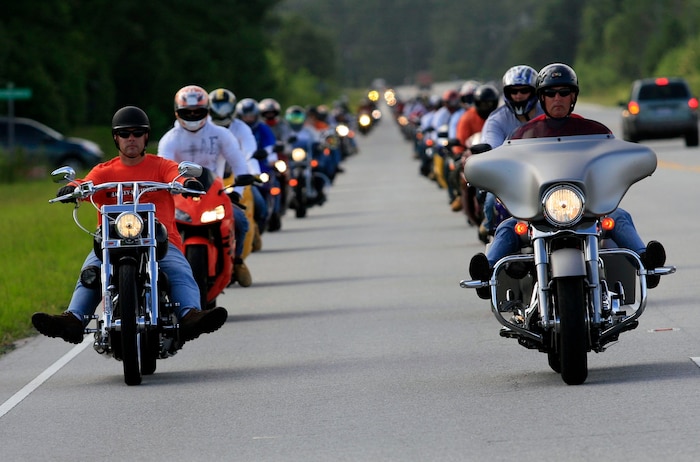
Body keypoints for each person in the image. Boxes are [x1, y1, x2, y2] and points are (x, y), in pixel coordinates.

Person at [31, 106, 228, 344]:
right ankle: (72, 320)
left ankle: (190, 316)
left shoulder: (161, 166)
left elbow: (177, 175)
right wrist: (73, 188)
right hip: (110, 239)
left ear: (146, 136)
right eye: (125, 134)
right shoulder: (105, 171)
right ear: (116, 138)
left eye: (137, 132)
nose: (131, 138)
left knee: (179, 270)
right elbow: (86, 183)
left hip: (159, 239)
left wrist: (187, 181)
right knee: (91, 274)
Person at [469, 63, 666, 298]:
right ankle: (487, 273)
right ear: (542, 98)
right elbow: (507, 163)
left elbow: (613, 156)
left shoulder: (592, 129)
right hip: (538, 212)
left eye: (564, 92)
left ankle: (646, 262)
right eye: (550, 93)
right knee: (508, 227)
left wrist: (631, 162)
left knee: (619, 217)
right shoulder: (524, 135)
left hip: (587, 210)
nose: (557, 98)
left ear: (573, 96)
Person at [158, 85, 254, 287]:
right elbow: (163, 171)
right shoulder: (169, 139)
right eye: (187, 112)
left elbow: (238, 163)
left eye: (197, 111)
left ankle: (237, 262)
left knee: (240, 221)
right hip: (180, 198)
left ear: (207, 110)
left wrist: (236, 192)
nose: (192, 116)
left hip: (215, 193)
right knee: (160, 230)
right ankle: (161, 269)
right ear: (177, 111)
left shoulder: (221, 134)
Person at [477, 65, 544, 239]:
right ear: (507, 93)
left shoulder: (549, 113)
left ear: (535, 91)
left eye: (524, 90)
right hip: (510, 178)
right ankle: (496, 235)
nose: (518, 95)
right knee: (492, 200)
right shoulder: (496, 120)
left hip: (549, 176)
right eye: (514, 91)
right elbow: (491, 150)